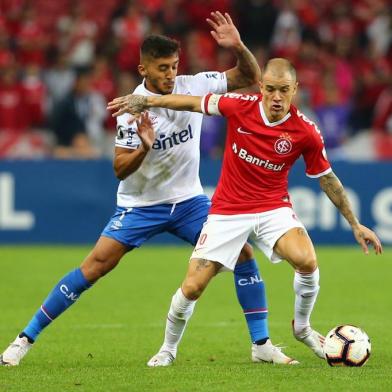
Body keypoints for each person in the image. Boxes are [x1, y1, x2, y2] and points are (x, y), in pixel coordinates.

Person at [0, 12, 294, 367]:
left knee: (244, 254)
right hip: (140, 205)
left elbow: (250, 77)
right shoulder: (131, 109)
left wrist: (238, 46)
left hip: (189, 202)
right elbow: (120, 169)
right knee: (93, 268)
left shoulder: (195, 85)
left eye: (173, 66)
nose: (170, 75)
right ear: (143, 70)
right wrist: (142, 147)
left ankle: (261, 344)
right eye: (162, 68)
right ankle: (23, 340)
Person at [107, 57, 383, 362]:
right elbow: (191, 102)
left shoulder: (306, 131)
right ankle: (167, 349)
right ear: (262, 87)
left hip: (273, 208)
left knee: (306, 260)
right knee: (193, 286)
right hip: (228, 210)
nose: (277, 97)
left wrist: (355, 223)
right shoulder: (239, 105)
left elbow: (327, 179)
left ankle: (302, 328)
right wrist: (145, 101)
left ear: (296, 90)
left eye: (284, 90)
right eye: (271, 89)